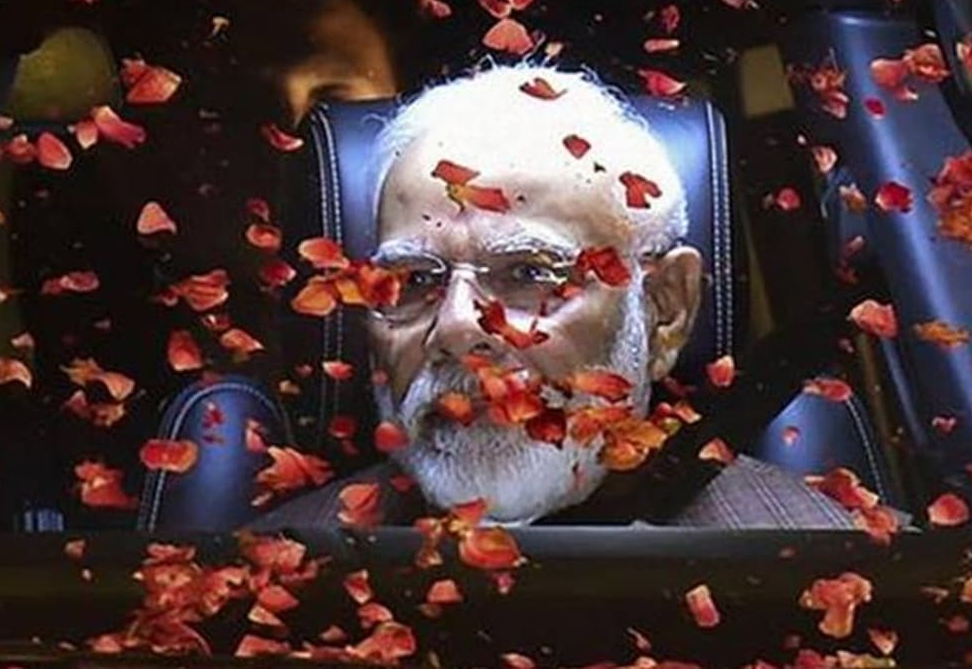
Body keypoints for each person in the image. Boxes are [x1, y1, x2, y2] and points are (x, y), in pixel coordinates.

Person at [249, 64, 862, 531]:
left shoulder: (840, 570)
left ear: (664, 310)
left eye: (527, 273)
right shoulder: (269, 582)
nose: (458, 329)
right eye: (413, 281)